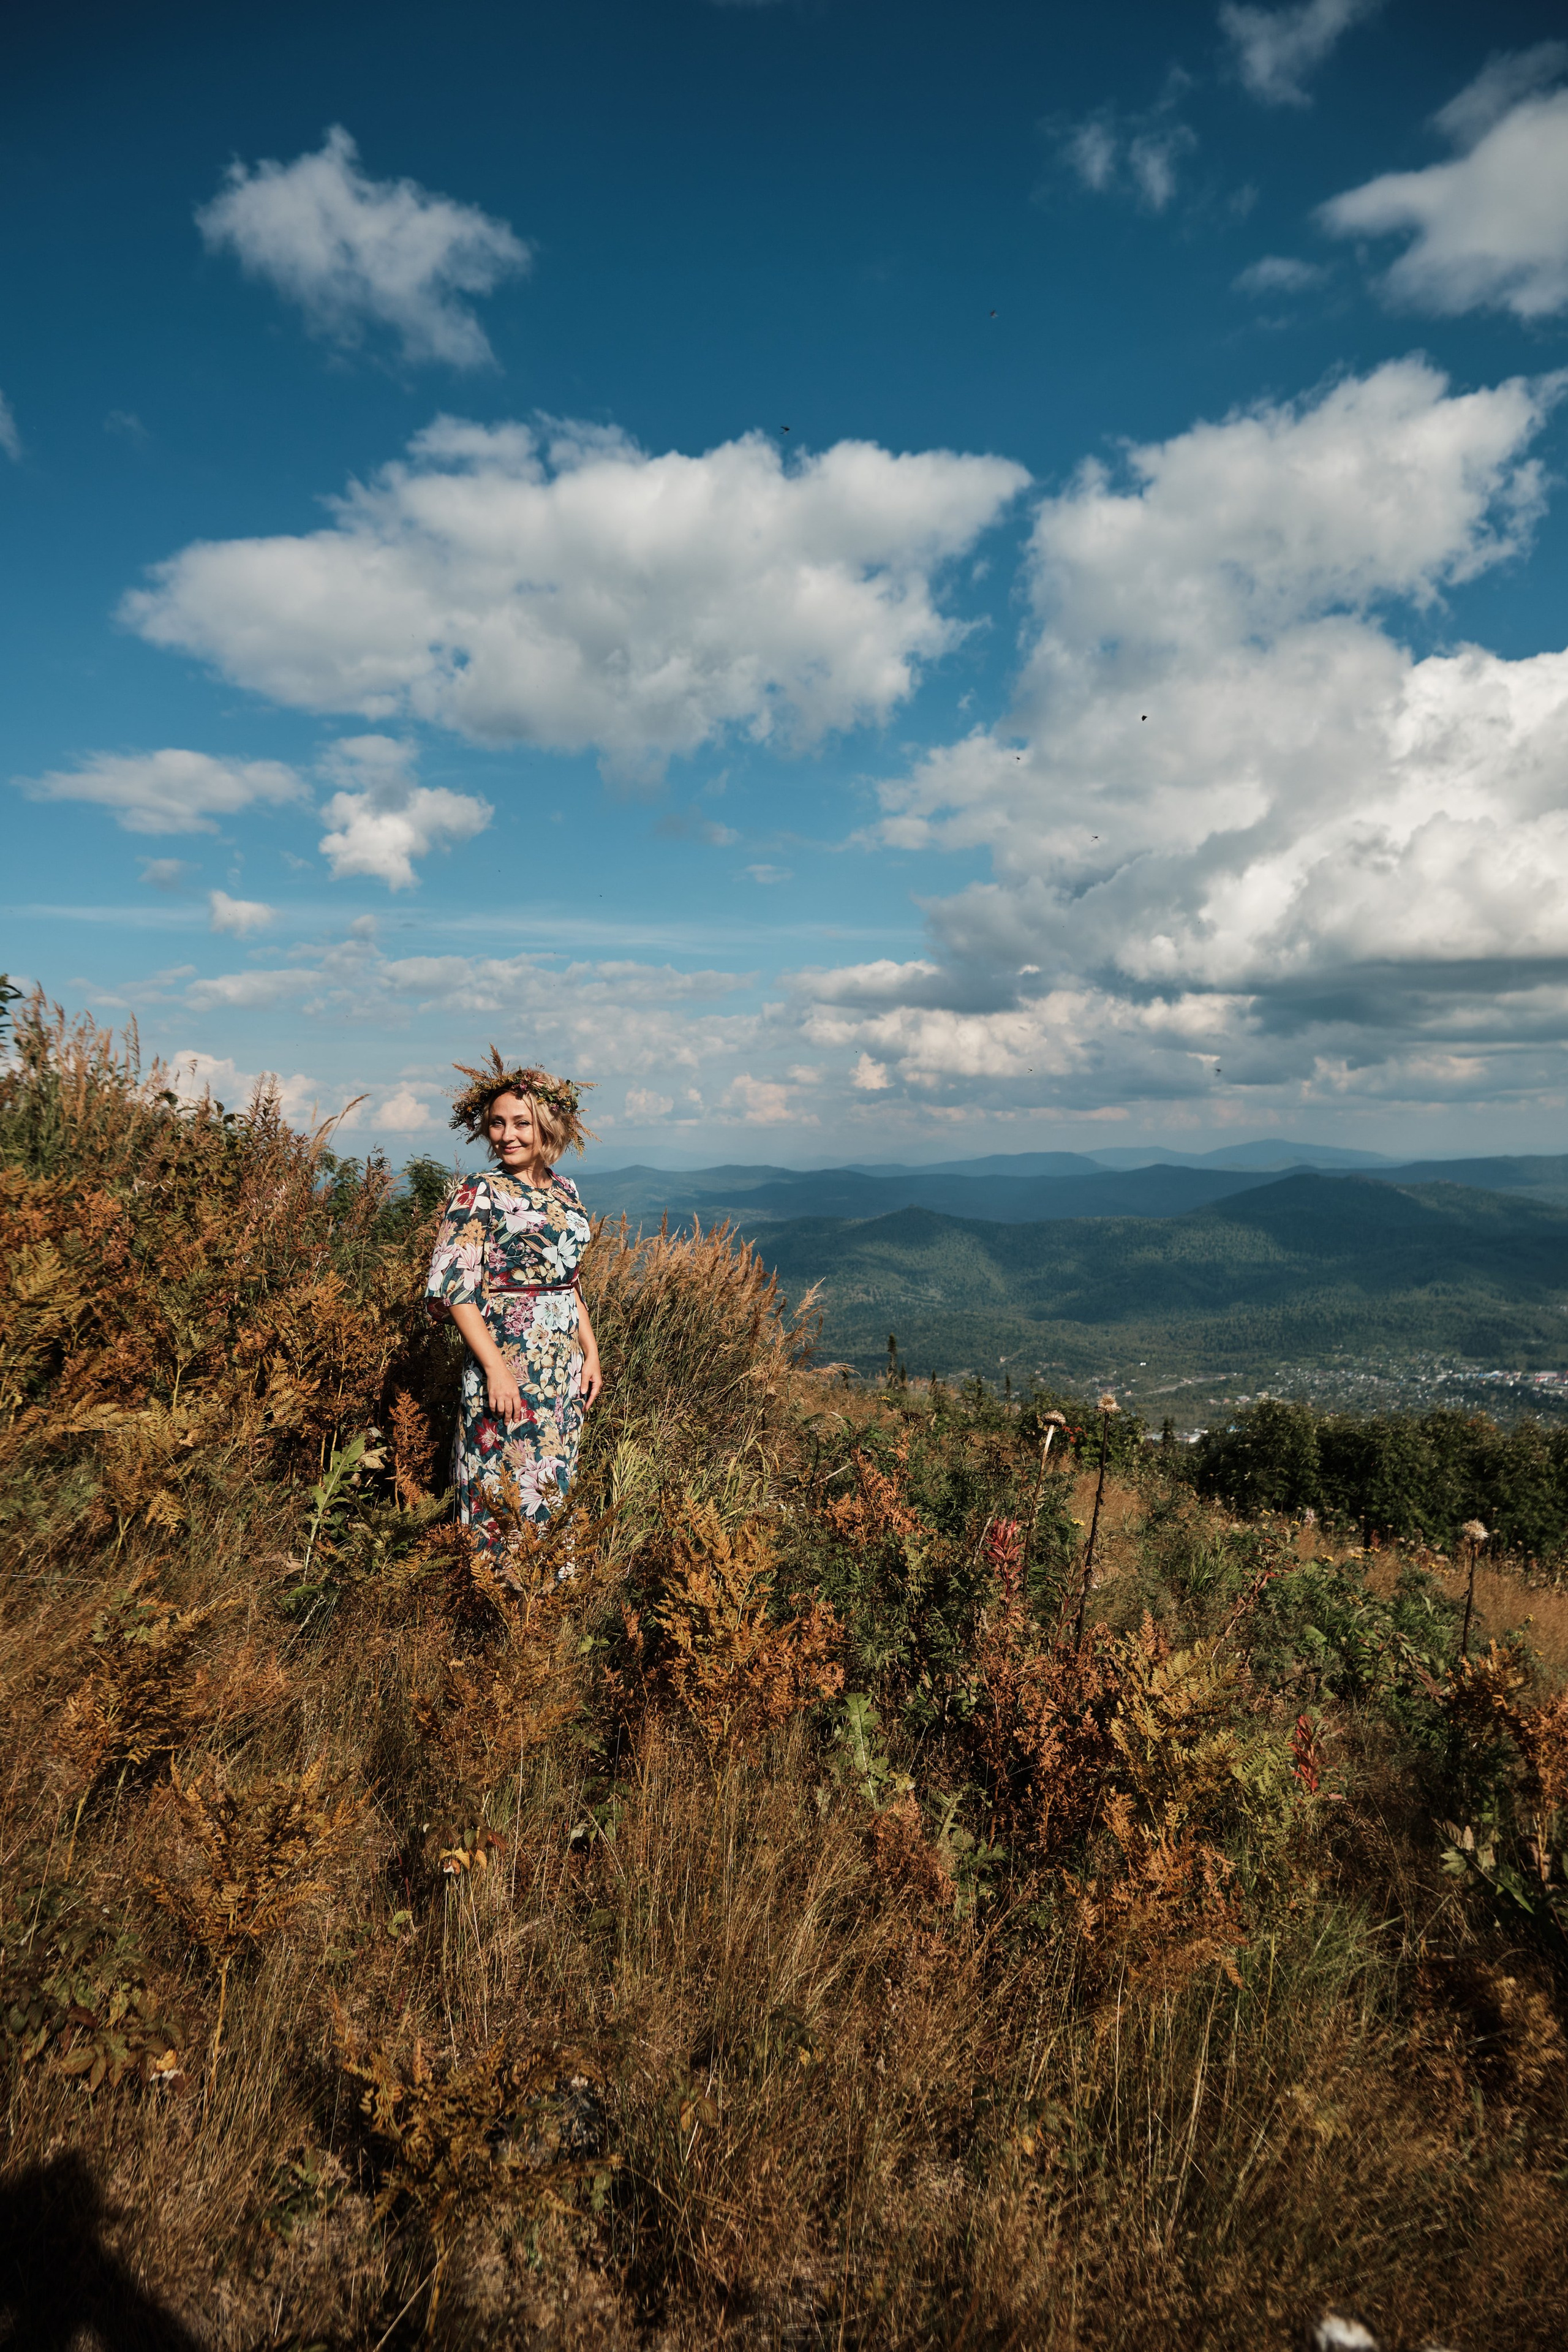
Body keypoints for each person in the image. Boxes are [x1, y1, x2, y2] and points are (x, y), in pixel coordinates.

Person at [424, 1050, 603, 1555]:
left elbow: (568, 1281)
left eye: (521, 1123)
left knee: (551, 1481)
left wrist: (590, 1352)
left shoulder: (567, 1191)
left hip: (562, 1368)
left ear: (548, 1126)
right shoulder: (479, 1192)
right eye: (498, 1124)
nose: (507, 1135)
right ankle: (489, 1602)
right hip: (507, 1360)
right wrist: (497, 1371)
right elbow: (455, 1288)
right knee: (498, 1481)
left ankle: (544, 1603)